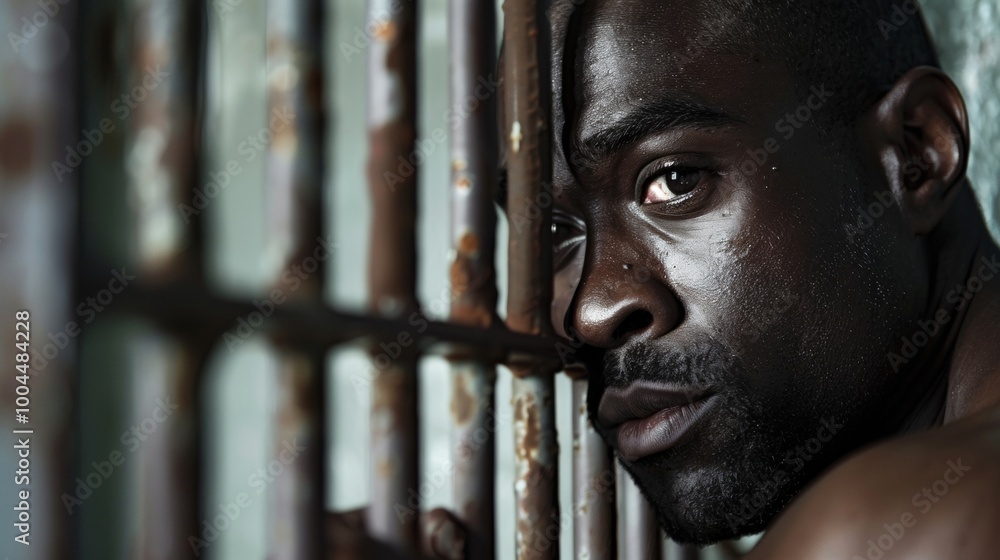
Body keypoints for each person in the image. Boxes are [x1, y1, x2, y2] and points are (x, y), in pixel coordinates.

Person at [534, 0, 1000, 557]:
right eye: (554, 231)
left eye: (675, 180)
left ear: (914, 154)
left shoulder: (883, 532)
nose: (588, 313)